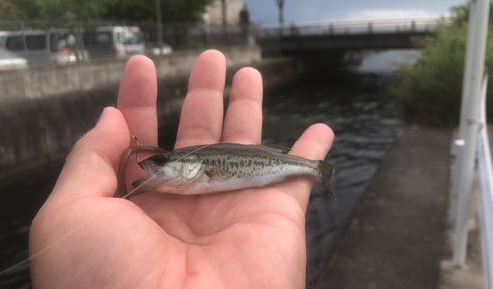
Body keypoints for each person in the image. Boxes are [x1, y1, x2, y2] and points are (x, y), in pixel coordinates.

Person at [29, 50, 334, 288]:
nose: (153, 167)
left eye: (161, 163)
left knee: (302, 165)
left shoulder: (205, 171)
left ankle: (314, 169)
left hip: (282, 168)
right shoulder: (186, 177)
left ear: (194, 166)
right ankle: (314, 169)